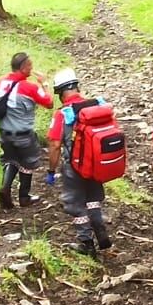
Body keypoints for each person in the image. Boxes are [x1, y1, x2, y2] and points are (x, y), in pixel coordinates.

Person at [46, 69, 113, 257]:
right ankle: (100, 231)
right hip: (95, 163)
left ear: (60, 92)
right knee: (92, 199)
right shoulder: (95, 106)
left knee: (76, 204)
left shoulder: (62, 114)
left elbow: (55, 144)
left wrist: (51, 170)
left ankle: (86, 243)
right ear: (77, 87)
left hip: (74, 167)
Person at [0, 52, 53, 209]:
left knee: (10, 158)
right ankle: (24, 197)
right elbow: (49, 103)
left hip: (4, 131)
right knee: (28, 161)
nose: (32, 68)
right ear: (24, 68)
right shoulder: (29, 87)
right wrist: (44, 83)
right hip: (23, 133)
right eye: (30, 66)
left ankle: (5, 187)